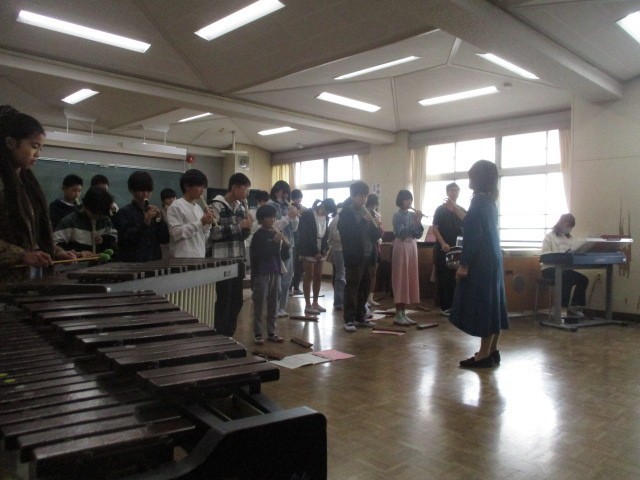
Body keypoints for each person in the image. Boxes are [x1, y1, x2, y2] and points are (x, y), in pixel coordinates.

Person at [0, 106, 76, 287]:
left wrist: (55, 251)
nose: (38, 154)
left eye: (41, 148)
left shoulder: (28, 184)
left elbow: (32, 237)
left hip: (29, 282)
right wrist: (21, 255)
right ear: (10, 143)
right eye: (34, 146)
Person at [449, 160, 508, 369]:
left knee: (484, 306)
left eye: (471, 176)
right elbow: (476, 224)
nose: (469, 179)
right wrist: (459, 212)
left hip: (481, 261)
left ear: (479, 178)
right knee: (494, 305)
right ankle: (492, 350)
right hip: (493, 258)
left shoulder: (478, 202)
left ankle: (482, 355)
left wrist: (464, 264)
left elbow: (473, 236)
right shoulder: (490, 201)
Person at [209, 172, 252, 337]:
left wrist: (247, 228)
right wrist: (239, 226)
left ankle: (228, 335)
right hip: (222, 261)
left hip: (238, 259)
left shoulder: (240, 207)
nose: (247, 193)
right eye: (245, 189)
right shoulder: (216, 205)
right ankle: (220, 335)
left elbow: (242, 236)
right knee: (224, 300)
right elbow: (213, 233)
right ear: (234, 187)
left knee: (237, 301)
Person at [338, 181, 382, 332]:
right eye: (360, 196)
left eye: (365, 196)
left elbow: (374, 236)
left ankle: (360, 316)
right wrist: (364, 221)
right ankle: (349, 320)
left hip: (368, 255)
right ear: (353, 196)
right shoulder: (346, 213)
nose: (363, 199)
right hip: (353, 256)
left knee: (365, 286)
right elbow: (349, 234)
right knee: (352, 287)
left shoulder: (367, 212)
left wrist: (378, 227)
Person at [250, 204, 289, 345]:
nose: (273, 220)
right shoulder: (258, 235)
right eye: (269, 217)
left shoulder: (274, 233)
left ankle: (272, 332)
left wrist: (285, 246)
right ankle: (258, 333)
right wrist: (274, 243)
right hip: (262, 273)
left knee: (274, 303)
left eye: (274, 217)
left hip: (275, 271)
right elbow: (260, 255)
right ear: (261, 219)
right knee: (260, 304)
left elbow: (282, 256)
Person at [113, 171, 169, 262]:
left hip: (155, 261)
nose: (145, 194)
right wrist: (144, 223)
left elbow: (165, 239)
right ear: (131, 190)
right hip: (134, 263)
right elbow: (125, 241)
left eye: (148, 190)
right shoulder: (124, 212)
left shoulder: (154, 212)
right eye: (141, 190)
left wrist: (159, 220)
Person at [541, 213, 589, 317]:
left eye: (571, 227)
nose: (569, 229)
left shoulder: (571, 239)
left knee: (583, 280)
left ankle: (575, 307)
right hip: (549, 269)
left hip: (565, 269)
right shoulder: (549, 237)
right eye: (568, 226)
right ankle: (561, 307)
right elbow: (545, 255)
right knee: (567, 277)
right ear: (562, 223)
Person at [432, 182, 466, 316]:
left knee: (456, 278)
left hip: (458, 249)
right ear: (447, 192)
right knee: (444, 278)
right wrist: (443, 244)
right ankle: (445, 307)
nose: (454, 193)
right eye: (452, 190)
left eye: (457, 190)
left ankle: (455, 306)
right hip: (444, 249)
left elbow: (468, 227)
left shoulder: (461, 210)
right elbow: (435, 228)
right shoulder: (440, 209)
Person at [267, 180, 300, 317]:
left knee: (287, 279)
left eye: (287, 193)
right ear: (276, 192)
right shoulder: (270, 206)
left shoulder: (288, 206)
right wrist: (287, 217)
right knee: (276, 281)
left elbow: (294, 229)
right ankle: (273, 308)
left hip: (288, 245)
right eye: (283, 192)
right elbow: (273, 226)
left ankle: (282, 307)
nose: (286, 195)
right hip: (275, 246)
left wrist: (295, 217)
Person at [53, 186, 118, 257]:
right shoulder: (69, 221)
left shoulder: (105, 220)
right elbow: (55, 244)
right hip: (77, 263)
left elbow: (114, 237)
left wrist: (104, 239)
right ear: (85, 205)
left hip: (102, 262)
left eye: (100, 214)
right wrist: (78, 254)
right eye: (94, 213)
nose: (97, 217)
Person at [298, 198, 336, 314]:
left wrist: (324, 249)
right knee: (308, 275)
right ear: (322, 206)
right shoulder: (308, 214)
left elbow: (325, 234)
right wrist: (315, 251)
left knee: (318, 276)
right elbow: (306, 234)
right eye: (327, 211)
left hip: (320, 248)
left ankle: (315, 302)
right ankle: (307, 304)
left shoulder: (326, 217)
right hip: (308, 248)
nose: (327, 214)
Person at [166, 169, 215, 258]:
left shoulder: (198, 208)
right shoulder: (176, 206)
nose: (202, 190)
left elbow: (204, 237)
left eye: (203, 187)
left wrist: (208, 223)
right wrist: (201, 222)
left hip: (199, 257)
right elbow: (175, 233)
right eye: (199, 186)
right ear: (187, 186)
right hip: (182, 259)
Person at [391, 190, 424, 326]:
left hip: (412, 246)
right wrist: (414, 222)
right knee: (400, 279)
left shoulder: (412, 215)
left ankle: (403, 313)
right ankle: (398, 314)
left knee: (409, 279)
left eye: (410, 199)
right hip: (401, 246)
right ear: (400, 200)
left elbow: (418, 234)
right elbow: (401, 233)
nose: (409, 202)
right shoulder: (397, 215)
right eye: (406, 199)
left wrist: (418, 221)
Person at [365, 194, 383, 307]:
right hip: (368, 246)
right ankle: (365, 298)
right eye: (372, 204)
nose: (374, 206)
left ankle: (370, 297)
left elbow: (380, 230)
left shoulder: (377, 214)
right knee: (367, 274)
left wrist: (379, 226)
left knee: (373, 273)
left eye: (376, 204)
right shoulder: (366, 213)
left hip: (376, 246)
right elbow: (371, 232)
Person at [327, 202, 345, 311]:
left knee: (341, 275)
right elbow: (334, 235)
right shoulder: (338, 218)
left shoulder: (338, 217)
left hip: (343, 249)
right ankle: (339, 301)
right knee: (340, 275)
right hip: (339, 249)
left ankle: (342, 300)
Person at [289, 189, 306, 295]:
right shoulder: (289, 208)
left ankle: (296, 287)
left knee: (300, 265)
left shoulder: (304, 209)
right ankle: (289, 287)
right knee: (292, 264)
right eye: (296, 197)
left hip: (302, 240)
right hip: (293, 239)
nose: (298, 199)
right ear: (292, 198)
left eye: (300, 197)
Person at [159, 188, 177, 259]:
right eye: (169, 198)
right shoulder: (160, 212)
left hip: (178, 243)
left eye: (174, 198)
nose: (172, 200)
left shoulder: (179, 211)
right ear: (163, 200)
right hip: (166, 244)